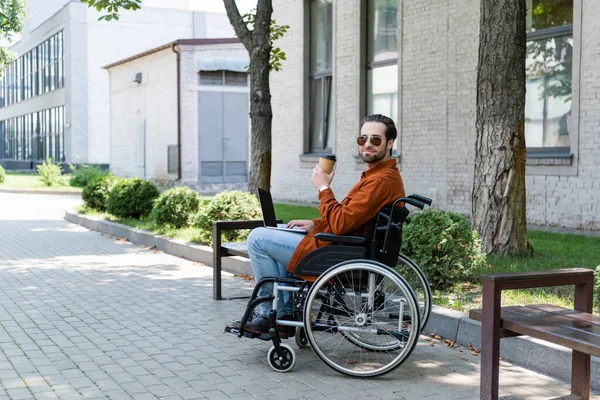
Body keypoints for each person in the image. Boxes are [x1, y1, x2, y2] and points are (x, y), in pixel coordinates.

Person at [235, 114, 406, 335]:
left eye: (375, 140)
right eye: (362, 139)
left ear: (390, 143)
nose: (367, 145)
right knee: (273, 235)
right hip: (342, 245)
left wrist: (324, 189)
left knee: (258, 239)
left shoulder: (380, 181)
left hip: (339, 251)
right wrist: (314, 223)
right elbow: (350, 217)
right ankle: (283, 315)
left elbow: (342, 223)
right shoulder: (379, 176)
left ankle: (270, 314)